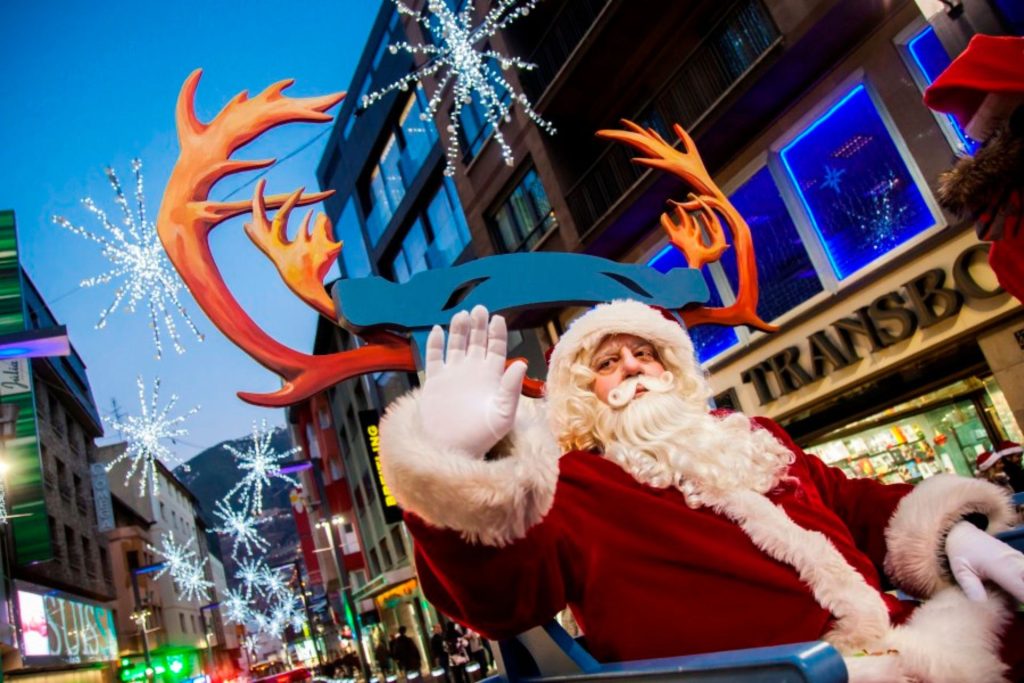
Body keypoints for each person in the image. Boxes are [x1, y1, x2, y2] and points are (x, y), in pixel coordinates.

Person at [380, 302, 1024, 682]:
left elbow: (852, 503)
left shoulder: (751, 436)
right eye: (607, 363)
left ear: (674, 371)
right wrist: (454, 467)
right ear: (584, 398)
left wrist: (953, 531)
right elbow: (504, 597)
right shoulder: (573, 484)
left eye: (645, 354)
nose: (632, 366)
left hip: (910, 644)